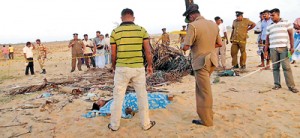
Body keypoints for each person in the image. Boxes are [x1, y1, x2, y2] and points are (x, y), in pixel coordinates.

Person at [109, 8, 155, 131]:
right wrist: (149, 66)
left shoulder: (115, 32)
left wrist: (113, 66)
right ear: (133, 18)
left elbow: (113, 54)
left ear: (121, 18)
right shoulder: (141, 30)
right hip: (138, 68)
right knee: (142, 96)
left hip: (121, 68)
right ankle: (146, 124)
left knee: (118, 97)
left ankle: (114, 125)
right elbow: (148, 51)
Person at [181, 4, 222, 127]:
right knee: (203, 89)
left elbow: (186, 46)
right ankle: (208, 114)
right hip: (212, 61)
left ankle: (207, 120)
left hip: (200, 62)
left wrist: (185, 46)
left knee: (203, 92)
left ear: (192, 15)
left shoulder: (193, 26)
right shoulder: (213, 24)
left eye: (189, 18)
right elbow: (219, 43)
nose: (189, 20)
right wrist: (207, 47)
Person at [265, 8, 298, 93]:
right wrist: (266, 51)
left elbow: (291, 35)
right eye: (270, 15)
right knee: (275, 67)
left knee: (286, 67)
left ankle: (291, 86)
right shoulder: (269, 26)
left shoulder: (286, 22)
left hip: (283, 48)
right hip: (273, 49)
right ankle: (277, 84)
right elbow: (267, 39)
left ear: (278, 14)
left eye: (273, 15)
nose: (271, 17)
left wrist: (292, 47)